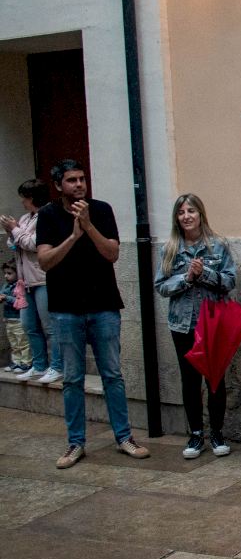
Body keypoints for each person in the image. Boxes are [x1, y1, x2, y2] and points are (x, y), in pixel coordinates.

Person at [37, 159, 149, 468]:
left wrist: (88, 227)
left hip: (104, 306)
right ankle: (76, 443)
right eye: (71, 180)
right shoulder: (48, 215)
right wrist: (73, 236)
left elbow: (112, 253)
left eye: (82, 179)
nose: (79, 185)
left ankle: (124, 437)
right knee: (72, 378)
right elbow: (45, 261)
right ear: (58, 185)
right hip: (66, 310)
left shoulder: (101, 210)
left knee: (112, 375)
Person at [154, 193, 237, 458]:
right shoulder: (170, 249)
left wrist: (205, 274)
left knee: (215, 380)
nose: (186, 216)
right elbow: (161, 286)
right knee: (190, 381)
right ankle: (196, 434)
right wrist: (187, 278)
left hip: (212, 323)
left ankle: (217, 432)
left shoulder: (218, 246)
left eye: (191, 211)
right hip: (183, 325)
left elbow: (230, 281)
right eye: (181, 212)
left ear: (201, 214)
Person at [2, 179, 60, 382]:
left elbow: (34, 243)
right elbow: (13, 244)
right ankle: (39, 365)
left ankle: (57, 365)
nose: (22, 202)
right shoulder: (26, 218)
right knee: (29, 325)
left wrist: (15, 230)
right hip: (24, 281)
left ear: (32, 197)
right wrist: (11, 230)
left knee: (49, 326)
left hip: (42, 279)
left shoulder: (48, 214)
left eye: (24, 198)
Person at [1, 262, 31, 372]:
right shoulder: (5, 286)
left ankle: (26, 363)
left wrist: (6, 298)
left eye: (9, 273)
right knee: (13, 343)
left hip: (18, 319)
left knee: (22, 342)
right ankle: (16, 362)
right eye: (5, 273)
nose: (6, 276)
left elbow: (20, 301)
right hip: (9, 319)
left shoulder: (20, 286)